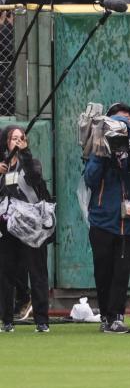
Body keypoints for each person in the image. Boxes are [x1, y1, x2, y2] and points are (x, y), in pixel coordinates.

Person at [84, 107, 130, 333]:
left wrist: (129, 149)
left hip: (129, 223)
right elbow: (91, 180)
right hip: (103, 221)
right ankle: (106, 315)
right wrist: (101, 154)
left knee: (122, 272)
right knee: (103, 271)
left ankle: (117, 317)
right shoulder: (97, 152)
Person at [0, 126, 52, 333]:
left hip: (31, 227)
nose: (18, 141)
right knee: (6, 274)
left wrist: (26, 154)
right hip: (7, 227)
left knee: (37, 273)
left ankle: (41, 320)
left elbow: (34, 178)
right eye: (14, 138)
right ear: (6, 142)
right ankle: (7, 319)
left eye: (21, 138)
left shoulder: (32, 163)